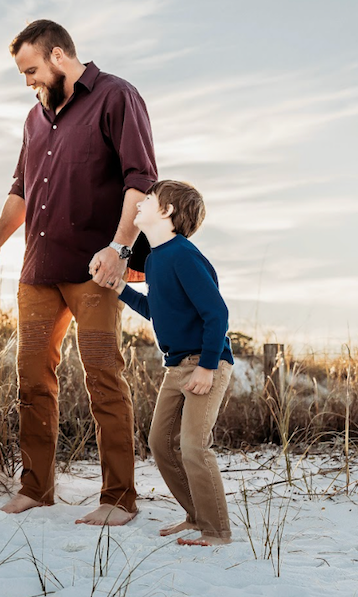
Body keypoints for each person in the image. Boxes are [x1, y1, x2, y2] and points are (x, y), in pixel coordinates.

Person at [0, 20, 158, 524]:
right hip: (38, 271)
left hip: (94, 270)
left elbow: (140, 178)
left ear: (58, 56)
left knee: (103, 377)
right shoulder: (34, 119)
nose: (28, 81)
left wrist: (121, 248)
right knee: (31, 381)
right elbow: (21, 190)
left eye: (31, 70)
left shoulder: (116, 96)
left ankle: (119, 499)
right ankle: (36, 488)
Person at [102, 181, 234, 546]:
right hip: (176, 367)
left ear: (168, 211)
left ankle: (217, 529)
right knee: (160, 443)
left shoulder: (183, 254)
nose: (140, 203)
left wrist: (207, 367)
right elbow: (156, 311)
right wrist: (121, 290)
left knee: (194, 445)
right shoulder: (156, 259)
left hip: (206, 363)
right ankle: (196, 517)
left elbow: (217, 314)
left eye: (148, 199)